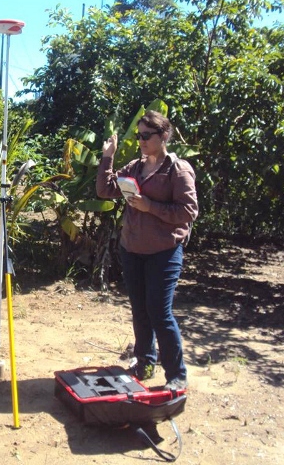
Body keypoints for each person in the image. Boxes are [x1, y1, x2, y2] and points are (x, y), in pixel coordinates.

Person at [96, 110, 198, 390]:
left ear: (163, 136)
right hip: (132, 249)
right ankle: (144, 362)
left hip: (164, 252)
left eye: (146, 135)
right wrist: (109, 156)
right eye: (139, 135)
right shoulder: (135, 167)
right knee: (140, 310)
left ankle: (177, 375)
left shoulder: (178, 170)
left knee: (159, 311)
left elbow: (188, 212)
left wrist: (149, 205)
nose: (140, 140)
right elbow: (105, 190)